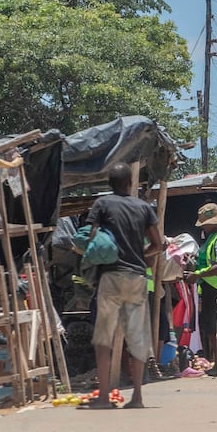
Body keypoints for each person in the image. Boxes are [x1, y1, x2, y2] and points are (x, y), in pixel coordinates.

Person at [84, 164, 165, 410]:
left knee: (103, 340)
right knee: (137, 339)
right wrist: (140, 253)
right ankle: (137, 396)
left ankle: (103, 397)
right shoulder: (143, 207)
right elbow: (158, 244)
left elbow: (90, 238)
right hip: (137, 277)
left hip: (110, 276)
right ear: (130, 182)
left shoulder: (102, 205)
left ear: (109, 182)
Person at [187, 202, 217, 369]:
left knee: (216, 328)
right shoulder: (212, 237)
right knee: (209, 327)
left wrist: (198, 274)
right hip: (210, 287)